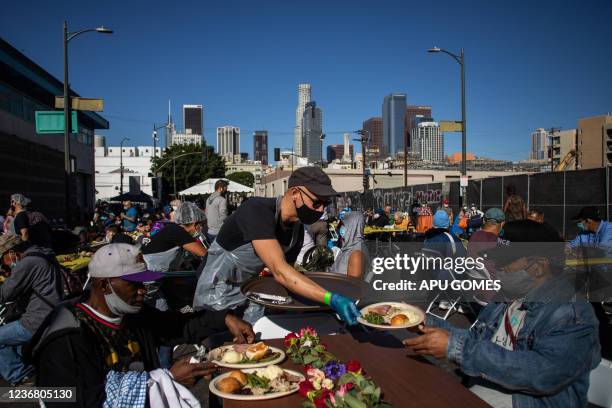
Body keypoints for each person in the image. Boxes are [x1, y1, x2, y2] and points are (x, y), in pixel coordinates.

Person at [26, 243, 254, 407]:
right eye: (134, 284)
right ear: (104, 285)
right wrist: (165, 381)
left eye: (143, 283)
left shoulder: (134, 315)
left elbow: (179, 327)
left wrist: (224, 318)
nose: (143, 291)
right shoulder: (67, 337)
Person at [404, 220, 601, 407]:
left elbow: (543, 374)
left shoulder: (570, 312)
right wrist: (423, 320)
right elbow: (475, 339)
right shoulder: (507, 297)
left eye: (506, 261)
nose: (498, 268)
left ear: (539, 266)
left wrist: (457, 348)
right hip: (493, 386)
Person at [193, 167, 361, 325]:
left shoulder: (297, 232)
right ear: (295, 193)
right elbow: (280, 271)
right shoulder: (256, 209)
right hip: (216, 289)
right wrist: (330, 298)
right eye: (317, 203)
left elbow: (288, 275)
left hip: (248, 289)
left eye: (326, 204)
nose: (321, 210)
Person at [0, 235, 62, 385]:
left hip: (38, 321)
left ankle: (21, 376)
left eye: (3, 259)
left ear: (11, 253)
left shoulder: (27, 263)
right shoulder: (43, 254)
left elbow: (4, 294)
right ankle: (30, 365)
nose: (5, 264)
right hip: (54, 313)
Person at [141, 202, 207, 273]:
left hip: (151, 270)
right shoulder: (178, 232)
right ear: (195, 223)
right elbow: (205, 254)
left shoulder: (173, 228)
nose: (201, 228)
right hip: (153, 276)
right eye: (201, 224)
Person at [330, 212, 367, 279]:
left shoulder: (356, 254)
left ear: (353, 226)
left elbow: (353, 285)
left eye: (343, 224)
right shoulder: (348, 246)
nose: (338, 227)